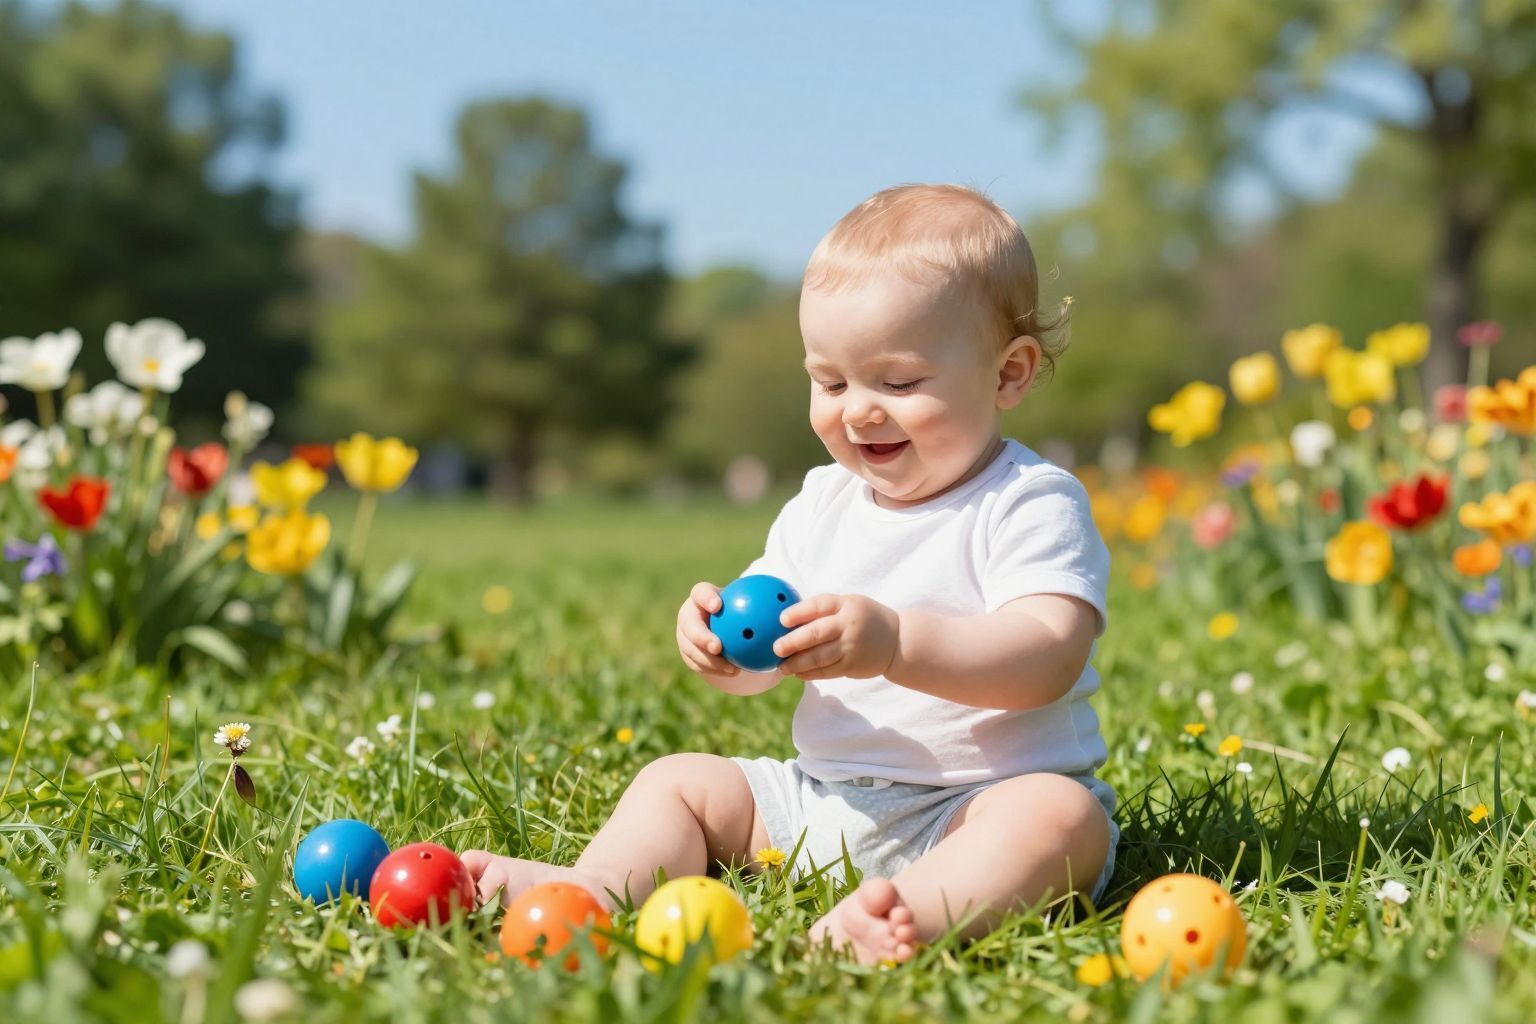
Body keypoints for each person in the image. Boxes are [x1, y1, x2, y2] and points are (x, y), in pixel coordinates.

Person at [463, 183, 1115, 965]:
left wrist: (897, 643)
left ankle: (906, 915)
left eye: (899, 383)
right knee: (681, 780)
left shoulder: (1028, 502)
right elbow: (766, 660)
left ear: (1008, 374)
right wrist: (722, 649)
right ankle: (600, 888)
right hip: (822, 801)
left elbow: (1047, 657)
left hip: (978, 808)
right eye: (831, 381)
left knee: (1058, 820)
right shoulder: (821, 503)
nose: (860, 411)